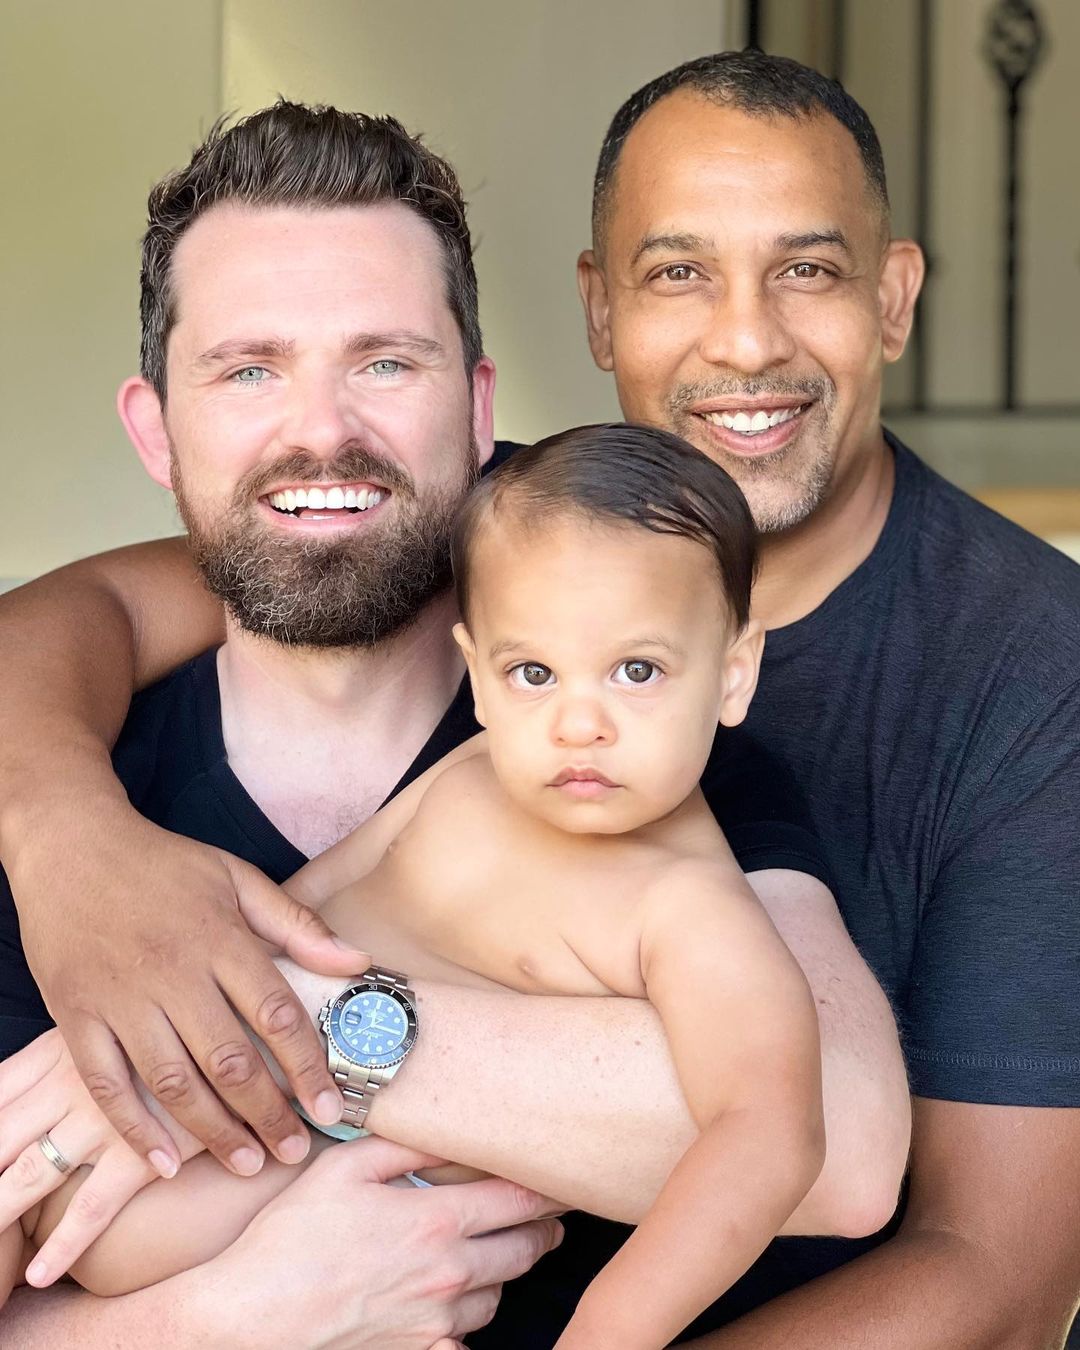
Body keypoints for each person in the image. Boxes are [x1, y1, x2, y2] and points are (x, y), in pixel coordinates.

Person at [0, 96, 906, 1345]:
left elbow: (838, 1146)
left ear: (479, 408)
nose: (323, 430)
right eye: (250, 369)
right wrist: (231, 1321)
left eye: (386, 362)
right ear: (156, 430)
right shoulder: (63, 799)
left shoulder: (664, 767)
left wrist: (285, 1021)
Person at [6, 425, 826, 1350]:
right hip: (184, 1105)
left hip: (304, 1213)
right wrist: (171, 1019)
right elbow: (297, 912)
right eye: (533, 673)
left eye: (637, 670)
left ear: (733, 673)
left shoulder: (691, 912)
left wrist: (605, 1335)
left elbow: (771, 1138)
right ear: (479, 674)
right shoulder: (468, 775)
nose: (579, 723)